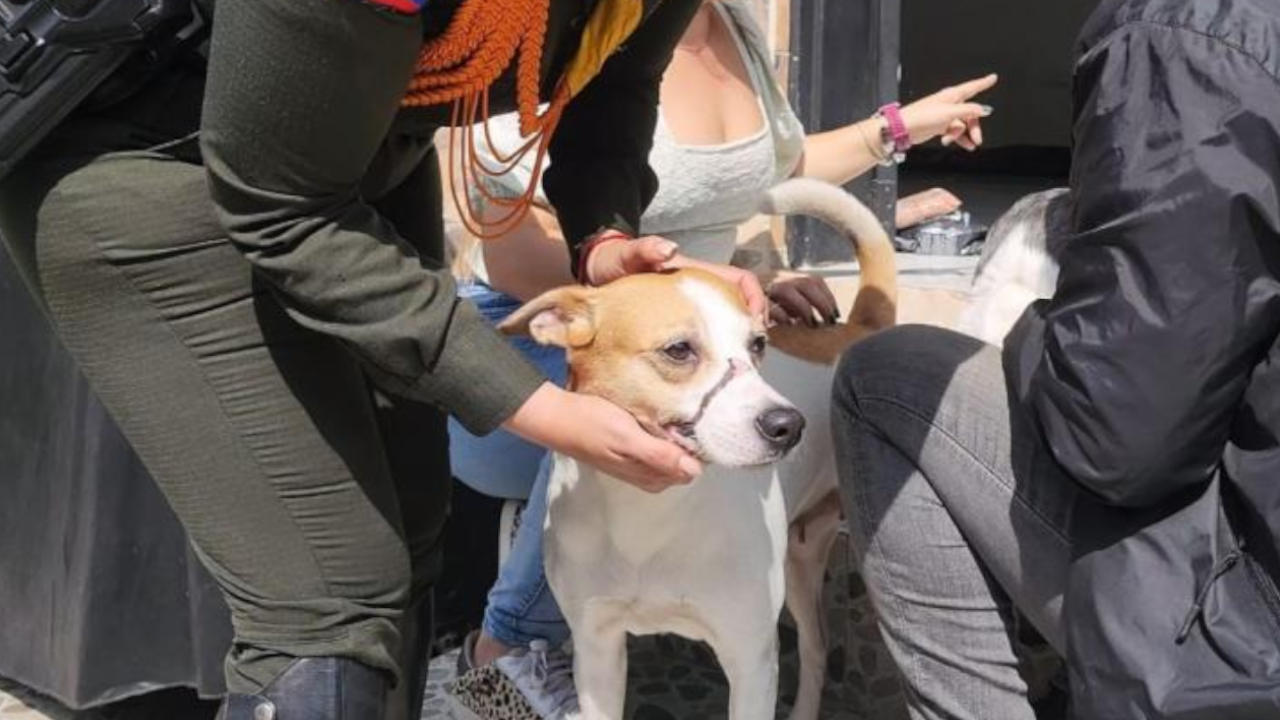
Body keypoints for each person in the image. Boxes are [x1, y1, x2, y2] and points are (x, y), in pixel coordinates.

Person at [0, 0, 769, 718]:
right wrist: (544, 412)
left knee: (407, 536)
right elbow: (281, 207)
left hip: (353, 158)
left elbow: (615, 78)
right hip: (147, 162)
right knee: (331, 598)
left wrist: (601, 239)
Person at [442, 1, 996, 716]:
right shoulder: (561, 22)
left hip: (702, 331)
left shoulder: (735, 24)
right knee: (619, 397)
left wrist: (894, 130)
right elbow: (509, 249)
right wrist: (700, 295)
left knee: (724, 409)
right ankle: (504, 650)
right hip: (551, 324)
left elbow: (776, 167)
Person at [831, 0, 1280, 718]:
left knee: (886, 379)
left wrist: (1037, 329)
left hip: (1252, 630)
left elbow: (1119, 440)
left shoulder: (1192, 36)